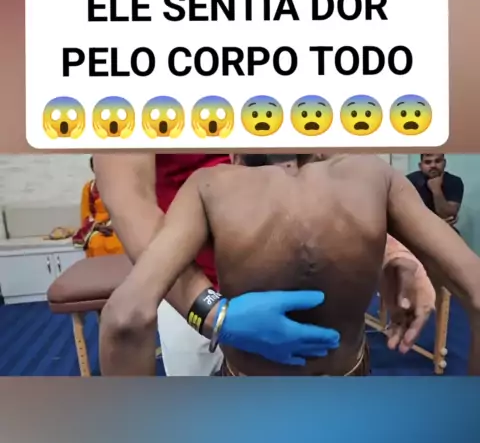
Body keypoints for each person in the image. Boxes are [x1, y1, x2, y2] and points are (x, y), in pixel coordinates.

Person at [98, 153, 479, 377]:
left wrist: (395, 251)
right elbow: (132, 201)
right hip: (185, 287)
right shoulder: (377, 175)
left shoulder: (206, 186)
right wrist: (209, 311)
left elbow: (125, 318)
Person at [73, 158, 124, 257]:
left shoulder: (118, 186)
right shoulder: (88, 188)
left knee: (118, 244)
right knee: (95, 244)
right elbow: (85, 214)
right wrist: (98, 226)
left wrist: (114, 225)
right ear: (92, 169)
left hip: (116, 226)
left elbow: (124, 210)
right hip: (96, 227)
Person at [407, 154, 464, 228]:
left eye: (438, 161)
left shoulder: (454, 181)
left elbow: (449, 216)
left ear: (444, 163)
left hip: (443, 229)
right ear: (420, 166)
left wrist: (436, 190)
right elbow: (404, 215)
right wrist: (433, 223)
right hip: (415, 228)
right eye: (428, 162)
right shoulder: (409, 181)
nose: (433, 165)